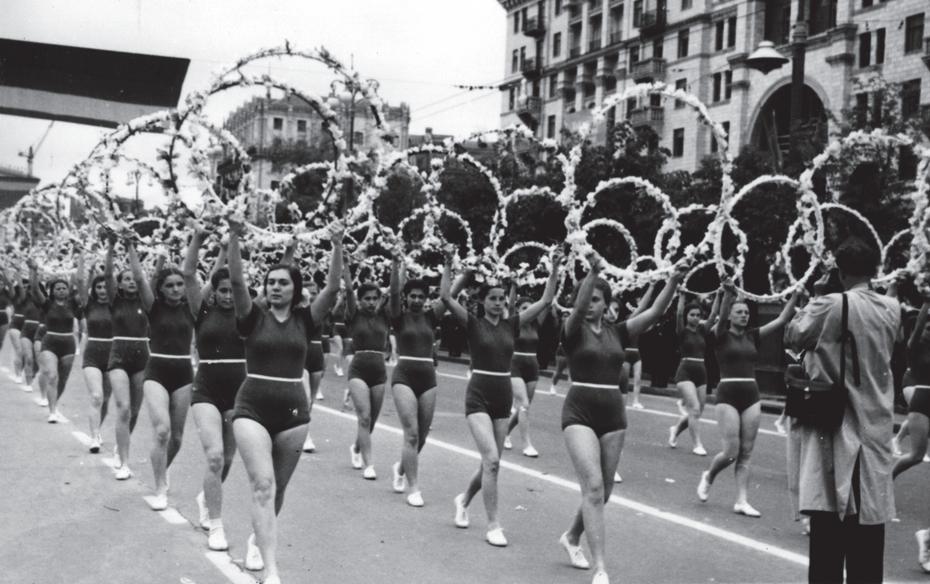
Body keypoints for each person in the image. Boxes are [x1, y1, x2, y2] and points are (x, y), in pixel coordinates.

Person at [227, 219, 342, 584]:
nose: (275, 287)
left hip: (294, 413)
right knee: (263, 485)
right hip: (252, 408)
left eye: (282, 282)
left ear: (295, 289)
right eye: (271, 282)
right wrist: (234, 237)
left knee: (277, 488)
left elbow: (333, 288)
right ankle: (272, 571)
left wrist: (338, 244)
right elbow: (237, 281)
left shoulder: (306, 320)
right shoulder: (252, 317)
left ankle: (257, 539)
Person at [557, 256, 682, 584]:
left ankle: (571, 536)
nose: (589, 304)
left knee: (604, 491)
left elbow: (655, 312)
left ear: (606, 304)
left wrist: (673, 279)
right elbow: (578, 307)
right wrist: (592, 273)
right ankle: (600, 567)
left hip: (613, 417)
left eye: (596, 299)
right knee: (593, 486)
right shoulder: (572, 330)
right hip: (579, 413)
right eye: (586, 298)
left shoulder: (619, 332)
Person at [785, 237, 901, 583]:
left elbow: (793, 335)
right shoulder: (892, 308)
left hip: (837, 430)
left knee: (828, 546)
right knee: (868, 542)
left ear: (840, 271)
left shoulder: (832, 304)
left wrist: (819, 294)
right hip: (876, 430)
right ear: (874, 269)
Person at [442, 248, 560, 547]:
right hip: (478, 397)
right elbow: (446, 297)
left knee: (491, 463)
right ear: (483, 301)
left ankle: (463, 500)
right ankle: (494, 525)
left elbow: (546, 300)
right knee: (492, 460)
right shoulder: (473, 323)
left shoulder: (512, 324)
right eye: (492, 298)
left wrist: (555, 267)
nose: (497, 303)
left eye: (501, 298)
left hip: (502, 397)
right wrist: (447, 264)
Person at [696, 279, 798, 517]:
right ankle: (709, 476)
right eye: (739, 312)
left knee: (747, 452)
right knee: (731, 451)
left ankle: (742, 500)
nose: (744, 315)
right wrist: (728, 295)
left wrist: (796, 294)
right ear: (730, 316)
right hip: (728, 394)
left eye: (746, 312)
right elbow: (721, 317)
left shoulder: (752, 336)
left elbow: (782, 319)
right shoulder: (720, 334)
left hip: (751, 394)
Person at [388, 250, 466, 507]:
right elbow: (394, 292)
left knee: (421, 437)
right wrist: (396, 263)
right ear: (406, 297)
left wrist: (449, 264)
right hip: (404, 376)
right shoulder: (398, 317)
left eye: (421, 296)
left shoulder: (432, 316)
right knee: (411, 434)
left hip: (427, 378)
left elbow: (451, 292)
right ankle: (413, 487)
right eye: (412, 296)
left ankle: (401, 467)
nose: (416, 300)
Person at [184, 227, 243, 551]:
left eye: (232, 291)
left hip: (238, 393)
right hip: (206, 389)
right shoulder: (201, 311)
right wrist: (197, 239)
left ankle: (206, 495)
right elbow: (188, 274)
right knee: (215, 455)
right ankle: (216, 525)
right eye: (222, 291)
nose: (228, 296)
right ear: (214, 292)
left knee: (228, 458)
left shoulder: (247, 314)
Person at [129, 243, 194, 510]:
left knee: (176, 437)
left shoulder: (193, 307)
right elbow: (139, 277)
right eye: (170, 285)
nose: (176, 289)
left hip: (183, 373)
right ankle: (159, 488)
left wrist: (224, 250)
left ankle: (162, 468)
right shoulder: (153, 307)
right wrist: (129, 245)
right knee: (162, 430)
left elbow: (209, 278)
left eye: (180, 284)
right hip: (156, 371)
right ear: (162, 289)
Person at [106, 236, 151, 481]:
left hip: (142, 357)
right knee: (123, 408)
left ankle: (119, 446)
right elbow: (107, 275)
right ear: (120, 284)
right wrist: (112, 247)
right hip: (119, 357)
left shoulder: (147, 301)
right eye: (126, 279)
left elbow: (149, 278)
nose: (132, 281)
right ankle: (124, 462)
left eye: (134, 278)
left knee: (134, 410)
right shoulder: (115, 301)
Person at [343, 261, 390, 480]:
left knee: (371, 420)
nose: (371, 302)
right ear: (360, 301)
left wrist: (398, 263)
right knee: (364, 417)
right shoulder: (354, 315)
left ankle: (356, 447)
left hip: (379, 371)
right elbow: (349, 290)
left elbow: (396, 292)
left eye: (374, 298)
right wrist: (345, 263)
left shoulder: (384, 316)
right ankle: (369, 464)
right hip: (359, 370)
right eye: (367, 298)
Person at [668, 291, 719, 455]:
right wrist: (682, 296)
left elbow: (713, 314)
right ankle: (697, 444)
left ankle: (675, 430)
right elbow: (679, 313)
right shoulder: (682, 331)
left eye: (698, 315)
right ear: (687, 316)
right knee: (695, 408)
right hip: (685, 372)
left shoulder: (703, 330)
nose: (695, 318)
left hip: (701, 372)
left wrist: (719, 295)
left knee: (697, 411)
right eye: (692, 315)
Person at [35, 262, 83, 424]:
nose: (61, 290)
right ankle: (52, 412)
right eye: (58, 288)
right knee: (52, 375)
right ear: (52, 291)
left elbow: (83, 288)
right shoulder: (47, 304)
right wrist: (33, 271)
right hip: (50, 342)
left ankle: (54, 404)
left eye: (64, 288)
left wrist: (83, 268)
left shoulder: (73, 303)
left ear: (68, 290)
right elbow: (35, 290)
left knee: (62, 379)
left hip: (68, 344)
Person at [503, 283, 547, 458]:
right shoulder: (514, 323)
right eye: (524, 308)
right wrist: (514, 285)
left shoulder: (537, 324)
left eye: (530, 308)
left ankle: (505, 432)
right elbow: (510, 304)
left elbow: (546, 302)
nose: (528, 311)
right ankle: (527, 444)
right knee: (524, 405)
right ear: (518, 310)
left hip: (532, 366)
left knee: (524, 407)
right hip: (515, 364)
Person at [81, 250, 114, 453]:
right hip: (92, 355)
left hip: (112, 356)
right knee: (96, 396)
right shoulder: (89, 304)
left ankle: (98, 429)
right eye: (98, 287)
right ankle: (93, 437)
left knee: (106, 399)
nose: (102, 290)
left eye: (105, 286)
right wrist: (88, 266)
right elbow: (79, 282)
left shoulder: (116, 305)